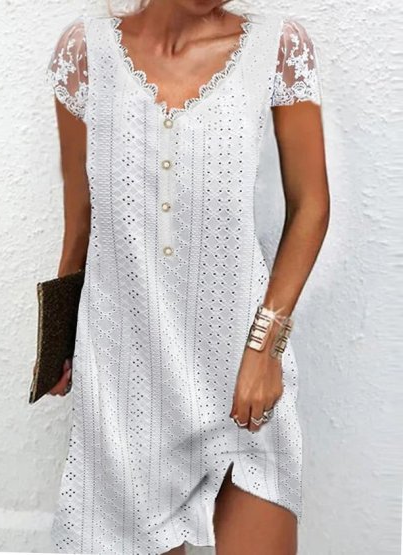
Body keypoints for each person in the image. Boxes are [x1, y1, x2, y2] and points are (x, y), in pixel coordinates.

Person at [45, 0, 330, 553]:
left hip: (244, 373)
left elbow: (312, 206)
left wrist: (266, 347)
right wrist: (58, 337)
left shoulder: (277, 47)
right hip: (125, 383)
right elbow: (81, 218)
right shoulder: (85, 53)